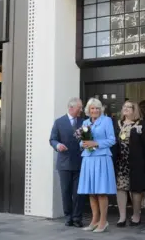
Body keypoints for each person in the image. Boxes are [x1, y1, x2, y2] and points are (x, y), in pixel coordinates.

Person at [77, 97, 116, 233]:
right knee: (91, 192)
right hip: (88, 158)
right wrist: (83, 143)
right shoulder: (85, 122)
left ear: (101, 110)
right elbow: (81, 142)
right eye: (93, 108)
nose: (95, 110)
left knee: (101, 192)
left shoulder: (107, 121)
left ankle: (103, 222)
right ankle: (94, 221)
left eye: (97, 108)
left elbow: (112, 140)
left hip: (102, 158)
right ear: (88, 110)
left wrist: (96, 143)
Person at [114, 101, 145, 227]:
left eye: (128, 107)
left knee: (136, 190)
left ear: (134, 110)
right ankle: (122, 217)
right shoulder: (117, 124)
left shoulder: (141, 125)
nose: (125, 109)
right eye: (124, 107)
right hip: (121, 163)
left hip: (137, 162)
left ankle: (136, 215)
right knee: (121, 188)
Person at [49, 97, 84, 227]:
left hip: (80, 162)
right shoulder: (59, 122)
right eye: (79, 108)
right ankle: (68, 216)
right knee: (66, 191)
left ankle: (77, 218)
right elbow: (52, 139)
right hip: (64, 163)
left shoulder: (83, 122)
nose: (81, 110)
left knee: (79, 192)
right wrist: (58, 145)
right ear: (71, 108)